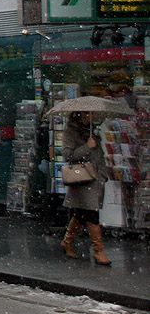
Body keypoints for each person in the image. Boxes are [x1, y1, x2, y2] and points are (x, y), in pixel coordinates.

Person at [60, 111, 110, 265]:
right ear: (79, 115)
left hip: (95, 178)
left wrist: (103, 174)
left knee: (80, 213)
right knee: (92, 213)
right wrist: (87, 147)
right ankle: (99, 251)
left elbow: (98, 154)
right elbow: (68, 155)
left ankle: (67, 241)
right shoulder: (71, 132)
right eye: (87, 114)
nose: (90, 117)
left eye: (91, 114)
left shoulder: (92, 130)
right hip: (82, 178)